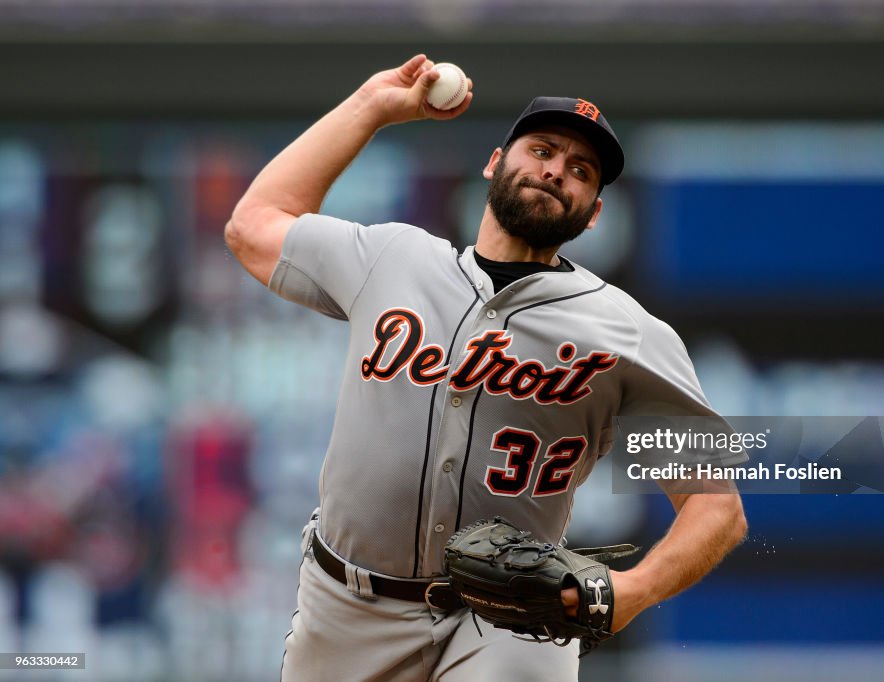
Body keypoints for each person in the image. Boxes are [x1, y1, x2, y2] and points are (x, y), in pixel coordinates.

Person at [225, 54, 747, 682]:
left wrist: (635, 591)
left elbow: (716, 505)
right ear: (495, 163)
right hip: (346, 607)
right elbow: (253, 227)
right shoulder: (392, 258)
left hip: (511, 621)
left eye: (581, 171)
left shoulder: (628, 333)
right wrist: (370, 107)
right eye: (543, 150)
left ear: (594, 212)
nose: (557, 171)